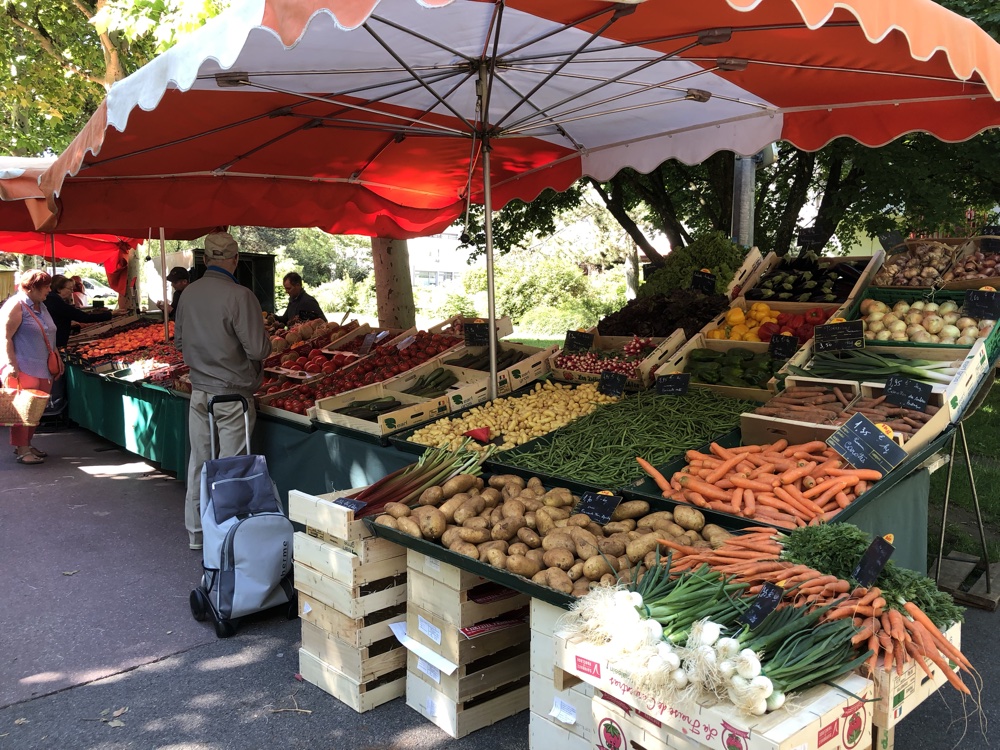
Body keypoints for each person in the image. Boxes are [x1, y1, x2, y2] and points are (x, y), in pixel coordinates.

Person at [175, 232, 272, 550]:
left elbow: (178, 343)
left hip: (199, 391)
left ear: (205, 259)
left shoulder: (187, 294)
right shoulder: (240, 296)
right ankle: (228, 536)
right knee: (232, 466)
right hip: (231, 396)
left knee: (199, 463)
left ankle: (196, 533)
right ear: (234, 260)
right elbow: (258, 349)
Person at [0, 270, 64, 464]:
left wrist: (57, 356)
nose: (49, 289)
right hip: (23, 365)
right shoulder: (15, 305)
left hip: (43, 366)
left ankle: (27, 443)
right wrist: (11, 364)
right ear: (32, 287)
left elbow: (49, 333)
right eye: (45, 286)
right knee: (23, 409)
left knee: (36, 409)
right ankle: (22, 449)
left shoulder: (41, 305)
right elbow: (4, 338)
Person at [45, 275, 113, 348]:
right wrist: (111, 314)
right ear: (59, 289)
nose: (72, 291)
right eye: (70, 288)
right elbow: (84, 317)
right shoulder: (56, 302)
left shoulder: (51, 299)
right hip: (56, 341)